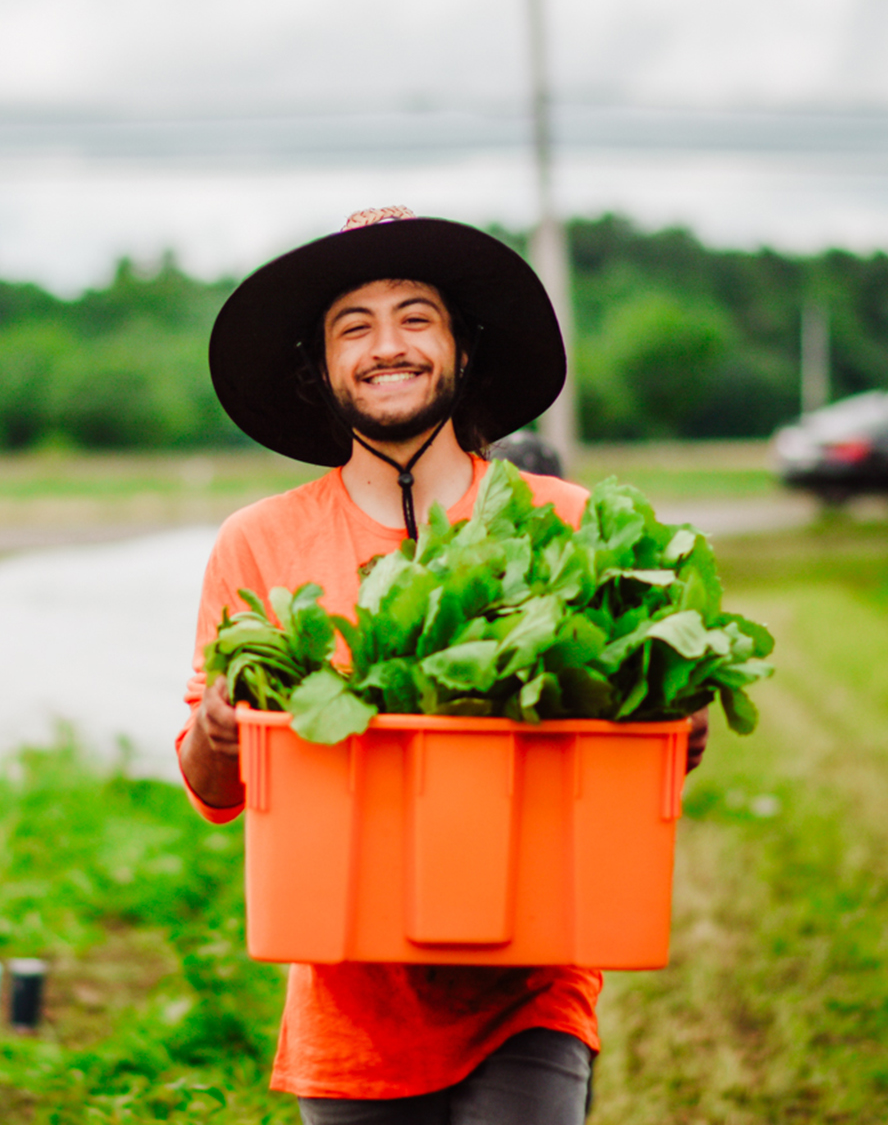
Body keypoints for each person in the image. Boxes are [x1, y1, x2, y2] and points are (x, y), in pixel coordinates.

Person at [177, 207, 708, 1124]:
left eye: (416, 317)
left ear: (463, 351)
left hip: (529, 985)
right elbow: (214, 788)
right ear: (321, 366)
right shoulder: (259, 543)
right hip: (346, 1009)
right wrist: (222, 730)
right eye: (356, 326)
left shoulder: (571, 524)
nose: (389, 346)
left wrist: (672, 725)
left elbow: (629, 762)